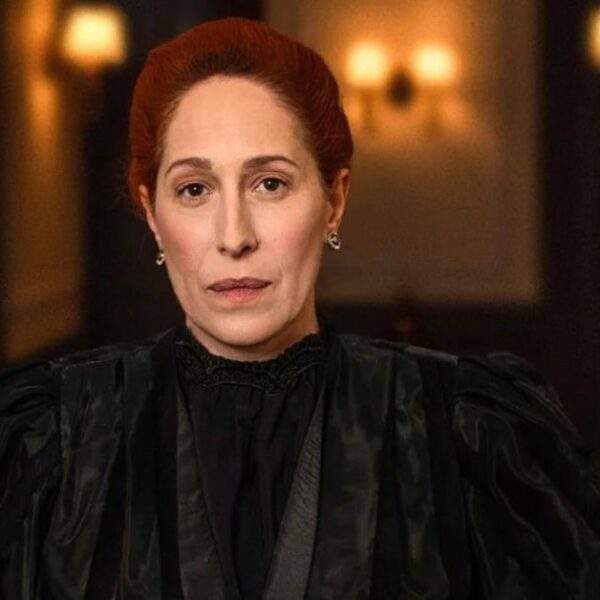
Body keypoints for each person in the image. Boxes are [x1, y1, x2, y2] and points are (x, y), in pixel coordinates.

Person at [1, 16, 599, 600]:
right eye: (194, 189)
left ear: (334, 199)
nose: (234, 236)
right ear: (153, 215)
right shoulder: (55, 440)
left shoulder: (461, 433)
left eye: (270, 183)